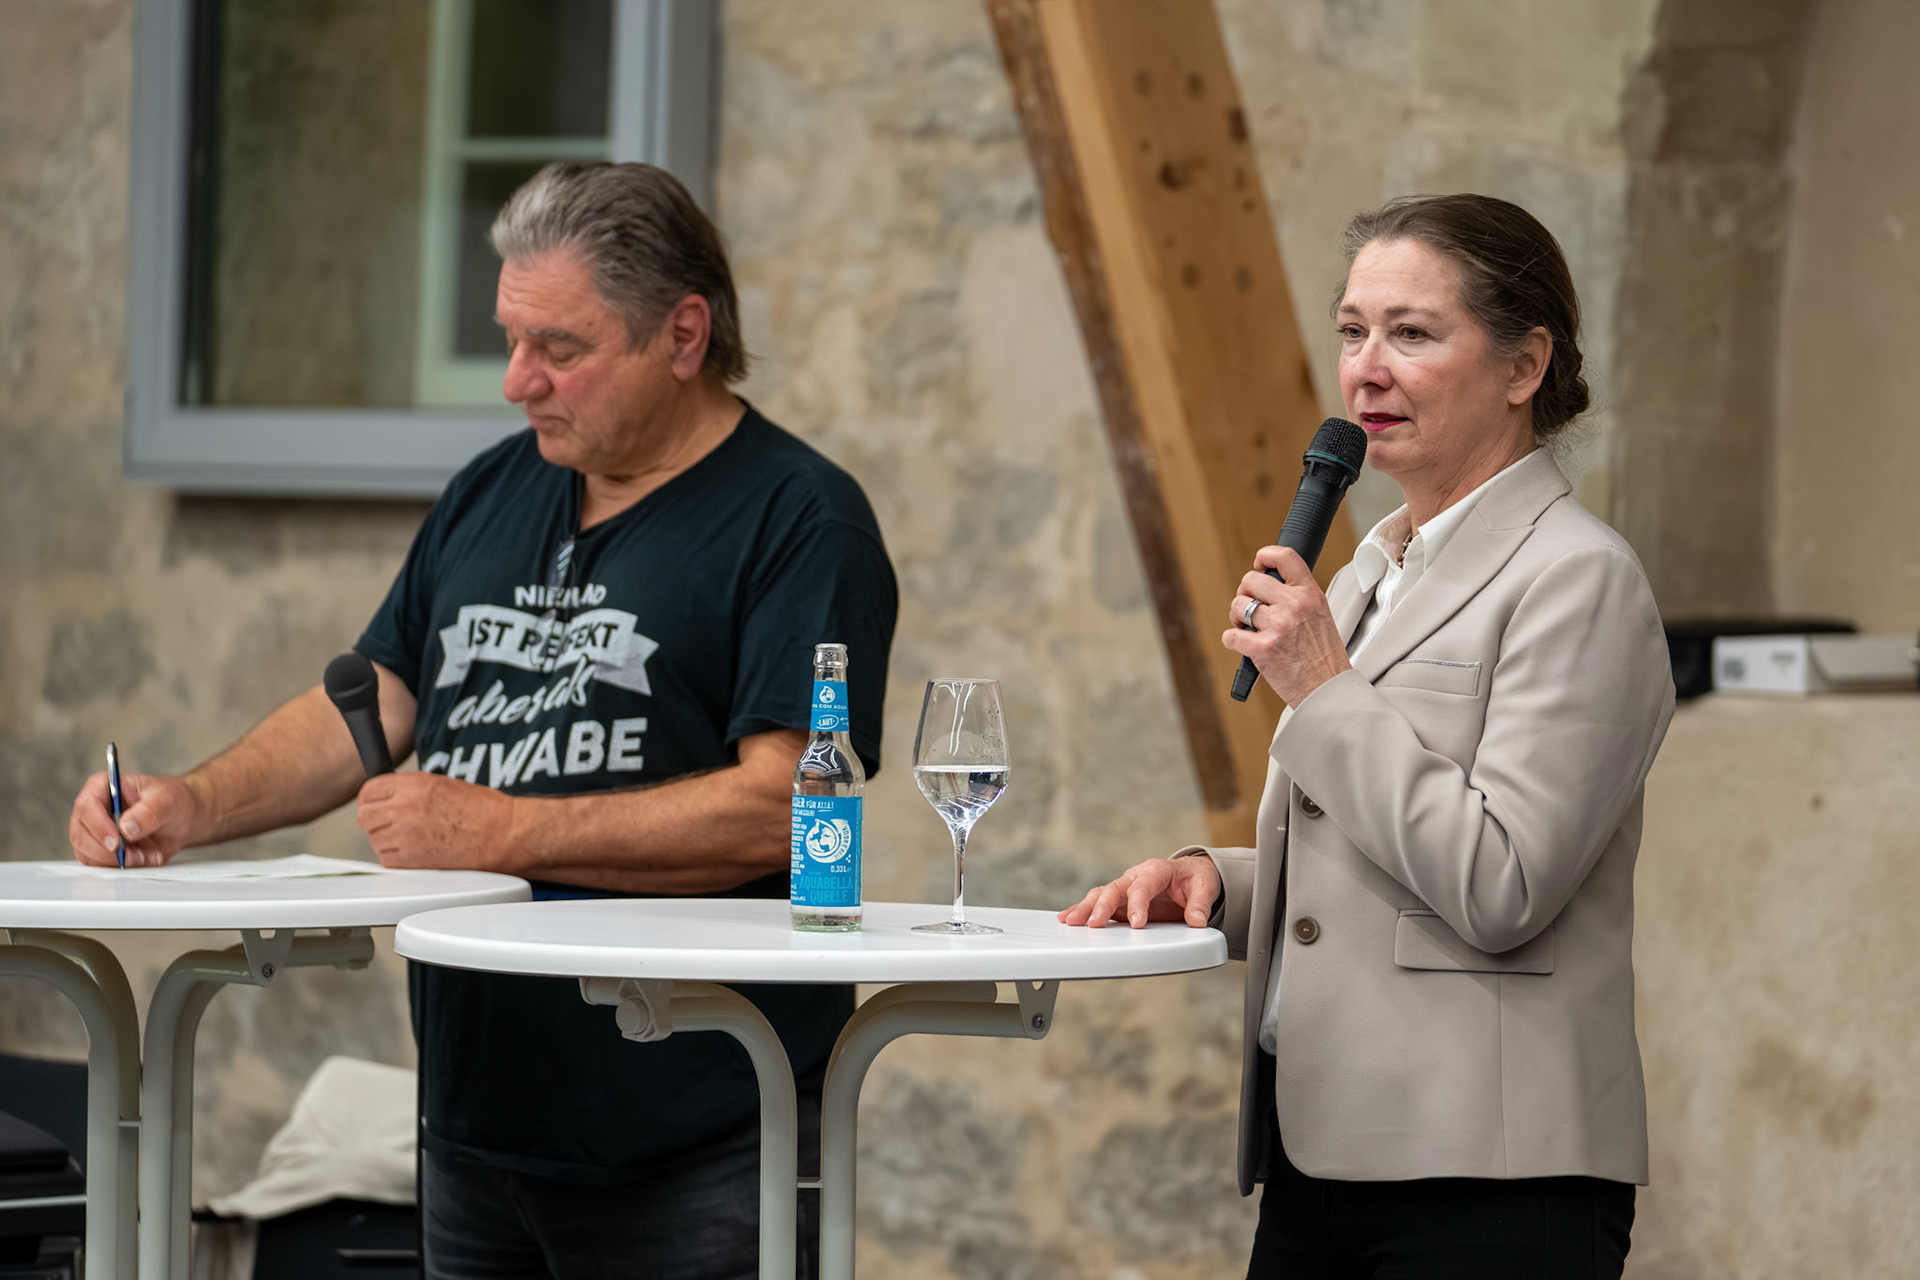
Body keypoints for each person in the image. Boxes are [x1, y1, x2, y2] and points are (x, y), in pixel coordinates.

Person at [68, 162, 898, 1279]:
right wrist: (192, 801)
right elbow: (372, 694)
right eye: (509, 339)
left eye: (559, 347)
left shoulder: (801, 518)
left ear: (684, 333)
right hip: (476, 1123)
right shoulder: (492, 488)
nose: (518, 381)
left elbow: (787, 805)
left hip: (698, 1140)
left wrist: (503, 831)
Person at [1060, 193, 1674, 1277]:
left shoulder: (1579, 578)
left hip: (1489, 1180)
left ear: (1526, 364)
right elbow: (1371, 863)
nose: (1365, 369)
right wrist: (1213, 878)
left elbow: (1499, 882)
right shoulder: (1367, 570)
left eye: (1413, 333)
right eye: (1352, 330)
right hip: (1322, 1159)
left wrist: (1324, 686)